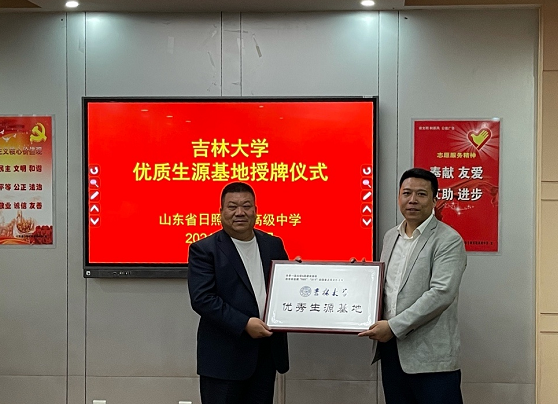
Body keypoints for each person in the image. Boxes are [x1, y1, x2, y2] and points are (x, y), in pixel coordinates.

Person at [358, 167, 467, 404]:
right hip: (392, 352)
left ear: (435, 200)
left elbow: (441, 293)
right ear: (399, 197)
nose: (413, 200)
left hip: (431, 358)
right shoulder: (391, 236)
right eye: (407, 193)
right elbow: (387, 288)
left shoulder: (448, 240)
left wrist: (393, 326)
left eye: (421, 194)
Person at [188, 182, 289, 404]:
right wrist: (244, 323)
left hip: (265, 354)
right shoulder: (204, 249)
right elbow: (203, 299)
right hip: (224, 359)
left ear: (256, 210)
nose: (240, 212)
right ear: (221, 211)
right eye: (232, 207)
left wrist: (298, 276)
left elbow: (284, 287)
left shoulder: (273, 244)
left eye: (246, 206)